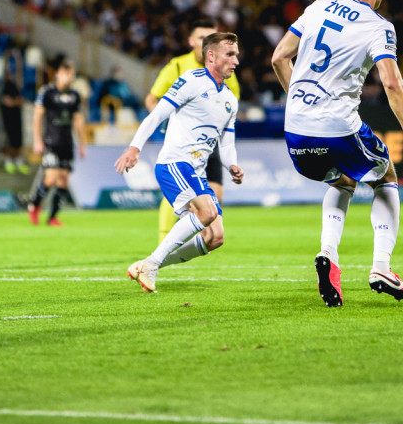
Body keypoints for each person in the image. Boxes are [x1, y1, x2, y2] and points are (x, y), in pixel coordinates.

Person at [271, 0, 403, 307]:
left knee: (342, 178)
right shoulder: (379, 27)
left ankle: (328, 254)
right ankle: (381, 267)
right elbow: (391, 82)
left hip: (295, 132)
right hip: (336, 127)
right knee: (385, 173)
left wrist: (302, 103)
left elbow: (279, 57)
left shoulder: (318, 6)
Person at [115, 32, 244, 293]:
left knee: (215, 237)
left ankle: (148, 264)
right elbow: (157, 115)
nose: (236, 61)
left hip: (197, 172)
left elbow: (227, 141)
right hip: (175, 164)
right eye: (230, 54)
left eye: (236, 54)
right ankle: (152, 264)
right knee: (206, 213)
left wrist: (232, 164)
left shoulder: (231, 99)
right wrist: (134, 147)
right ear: (211, 56)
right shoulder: (190, 81)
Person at [145, 17, 240, 242]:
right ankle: (165, 239)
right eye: (201, 37)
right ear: (191, 41)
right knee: (181, 194)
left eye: (210, 37)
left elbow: (231, 99)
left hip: (210, 142)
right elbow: (152, 99)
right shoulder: (178, 66)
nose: (206, 41)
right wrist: (167, 124)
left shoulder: (226, 68)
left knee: (216, 196)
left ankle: (192, 240)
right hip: (183, 142)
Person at [27, 59, 86, 226]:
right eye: (66, 74)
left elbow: (78, 119)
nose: (69, 78)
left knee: (63, 180)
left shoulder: (75, 95)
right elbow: (37, 117)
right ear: (58, 74)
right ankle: (34, 205)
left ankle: (52, 217)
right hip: (51, 141)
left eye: (72, 75)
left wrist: (82, 143)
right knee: (51, 177)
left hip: (67, 142)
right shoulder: (47, 92)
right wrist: (37, 140)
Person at [0, 71, 29, 174]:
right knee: (9, 140)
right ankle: (9, 161)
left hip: (17, 118)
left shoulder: (14, 88)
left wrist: (16, 102)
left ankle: (18, 160)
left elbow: (21, 100)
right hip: (8, 119)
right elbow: (8, 102)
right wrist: (16, 102)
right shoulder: (4, 88)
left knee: (18, 140)